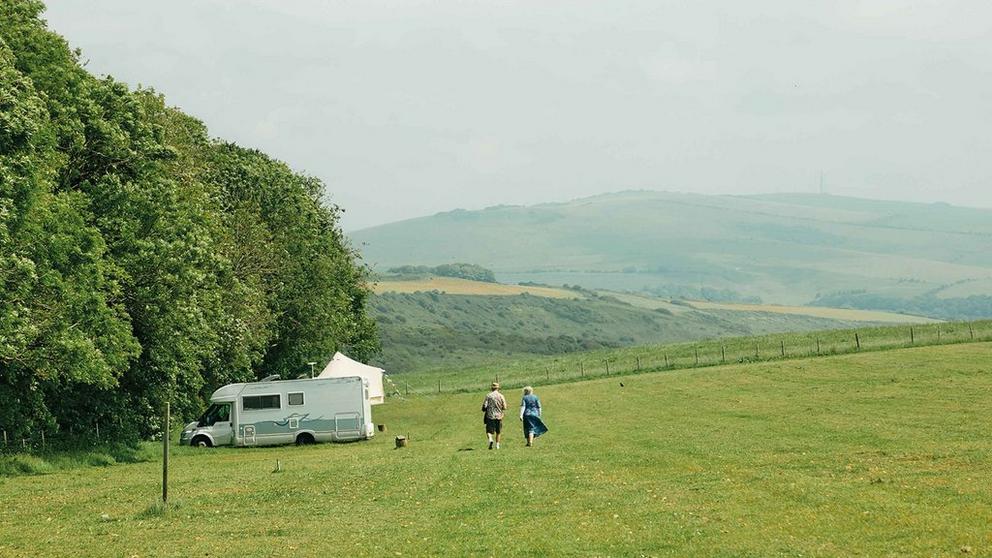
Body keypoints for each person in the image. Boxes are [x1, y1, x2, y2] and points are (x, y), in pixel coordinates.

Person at [481, 382, 507, 450]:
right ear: (498, 388)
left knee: (488, 431)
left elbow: (484, 406)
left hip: (490, 415)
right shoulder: (501, 396)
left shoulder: (488, 395)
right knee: (498, 432)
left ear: (491, 388)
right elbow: (504, 407)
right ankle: (497, 445)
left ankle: (490, 440)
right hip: (499, 416)